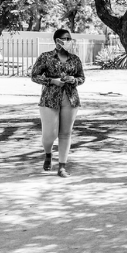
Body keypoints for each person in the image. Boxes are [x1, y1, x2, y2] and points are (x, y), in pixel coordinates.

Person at [31, 28, 87, 177]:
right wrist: (52, 81)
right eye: (66, 38)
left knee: (65, 133)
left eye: (70, 38)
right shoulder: (46, 57)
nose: (69, 41)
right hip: (49, 99)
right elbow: (34, 76)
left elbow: (82, 77)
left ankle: (62, 166)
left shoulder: (75, 59)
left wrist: (74, 80)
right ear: (58, 41)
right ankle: (48, 153)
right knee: (50, 134)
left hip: (70, 98)